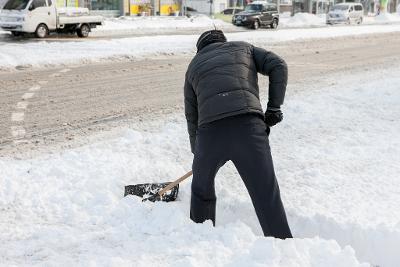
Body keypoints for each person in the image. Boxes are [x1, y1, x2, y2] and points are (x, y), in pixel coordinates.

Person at [183, 29, 292, 239]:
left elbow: (191, 116)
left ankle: (199, 241)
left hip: (210, 135)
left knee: (201, 191)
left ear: (200, 50)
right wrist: (274, 108)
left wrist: (199, 155)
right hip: (248, 127)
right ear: (223, 41)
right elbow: (278, 65)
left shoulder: (193, 67)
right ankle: (283, 248)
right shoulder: (244, 48)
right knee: (265, 193)